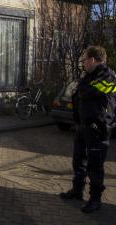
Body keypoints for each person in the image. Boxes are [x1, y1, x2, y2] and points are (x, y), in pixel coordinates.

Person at [60, 46, 116, 213]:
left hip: (98, 127)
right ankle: (77, 190)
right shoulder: (90, 76)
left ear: (92, 59)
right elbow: (76, 94)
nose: (83, 63)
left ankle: (95, 199)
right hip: (84, 125)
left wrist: (83, 81)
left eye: (84, 60)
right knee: (79, 160)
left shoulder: (108, 76)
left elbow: (84, 92)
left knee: (95, 165)